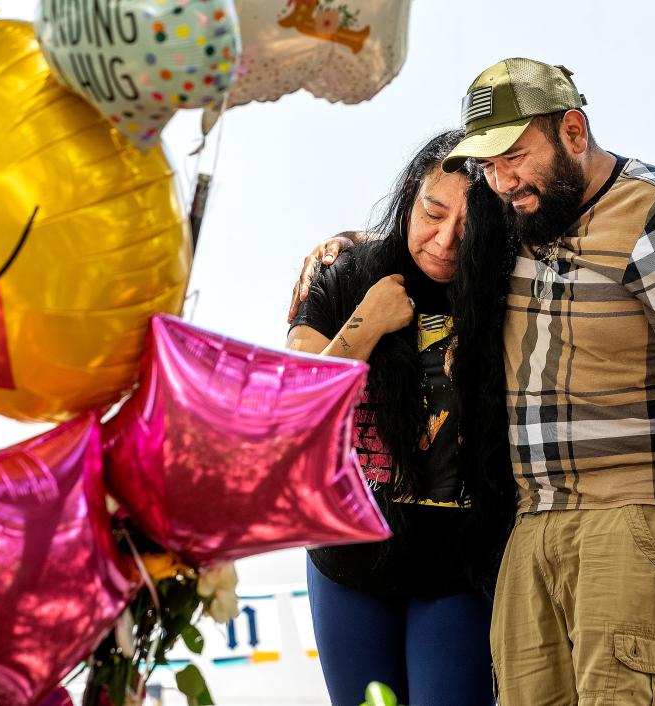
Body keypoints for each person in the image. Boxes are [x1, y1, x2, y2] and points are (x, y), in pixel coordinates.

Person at [290, 59, 655, 705]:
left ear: (572, 130)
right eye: (493, 165)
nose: (506, 180)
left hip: (603, 521)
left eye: (516, 156)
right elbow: (291, 403)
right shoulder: (374, 265)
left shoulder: (642, 214)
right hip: (509, 533)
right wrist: (365, 318)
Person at [286, 130, 517, 706]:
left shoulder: (514, 289)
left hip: (462, 569)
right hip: (347, 562)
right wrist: (367, 320)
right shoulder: (341, 269)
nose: (443, 242)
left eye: (467, 230)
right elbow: (295, 407)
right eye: (432, 214)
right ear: (410, 196)